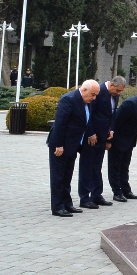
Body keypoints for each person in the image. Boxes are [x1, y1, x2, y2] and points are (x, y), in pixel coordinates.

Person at [47, 79, 99, 217]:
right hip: (60, 145)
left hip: (73, 145)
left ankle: (67, 204)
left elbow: (86, 121)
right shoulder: (69, 100)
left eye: (96, 95)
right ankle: (57, 207)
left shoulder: (86, 102)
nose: (94, 98)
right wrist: (59, 145)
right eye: (93, 94)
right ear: (84, 90)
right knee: (58, 177)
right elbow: (60, 124)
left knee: (67, 176)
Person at [78, 75, 126, 209]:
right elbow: (88, 114)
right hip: (91, 137)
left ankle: (96, 195)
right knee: (87, 167)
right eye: (117, 90)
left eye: (121, 91)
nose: (119, 93)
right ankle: (84, 197)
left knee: (97, 167)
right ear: (111, 84)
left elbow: (112, 114)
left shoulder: (114, 95)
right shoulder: (97, 91)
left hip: (103, 136)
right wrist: (90, 133)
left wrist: (111, 130)